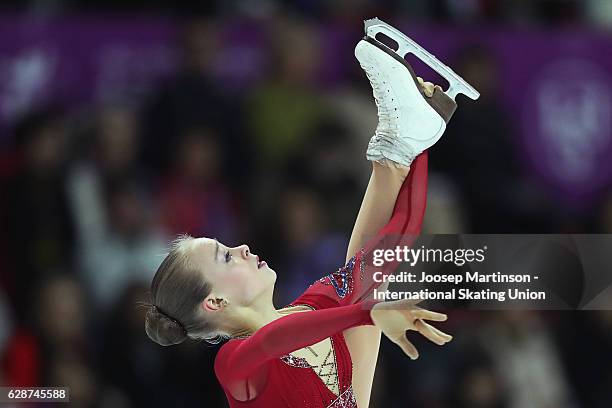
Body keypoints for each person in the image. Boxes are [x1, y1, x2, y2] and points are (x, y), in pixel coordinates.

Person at [144, 38, 454, 407]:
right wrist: (366, 312)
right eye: (225, 257)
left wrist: (415, 144)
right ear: (215, 302)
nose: (241, 248)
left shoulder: (322, 306)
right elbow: (272, 340)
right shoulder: (235, 365)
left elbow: (387, 246)